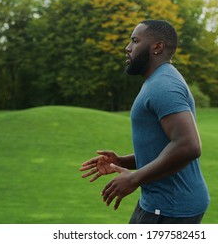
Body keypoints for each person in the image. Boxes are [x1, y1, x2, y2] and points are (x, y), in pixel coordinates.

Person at [79, 20, 210, 224]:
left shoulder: (164, 85)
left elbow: (188, 145)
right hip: (158, 203)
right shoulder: (158, 80)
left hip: (170, 208)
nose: (127, 47)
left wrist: (134, 178)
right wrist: (122, 161)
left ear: (157, 47)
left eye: (135, 41)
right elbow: (166, 147)